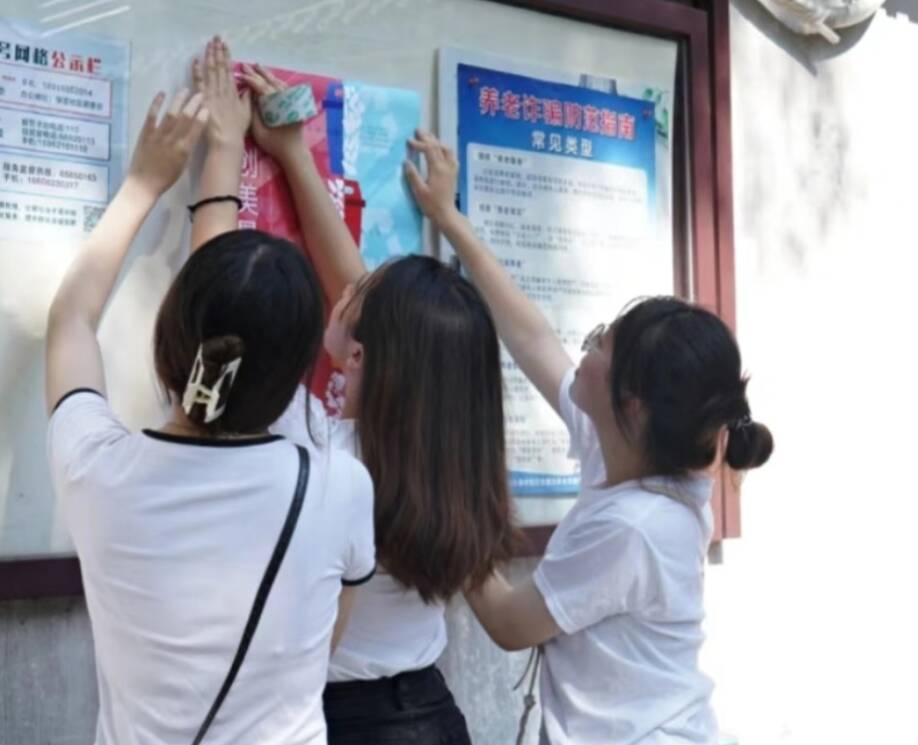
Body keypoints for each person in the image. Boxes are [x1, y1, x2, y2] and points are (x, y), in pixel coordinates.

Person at [45, 38, 375, 745]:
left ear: (168, 338)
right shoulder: (339, 486)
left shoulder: (101, 469)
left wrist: (146, 183)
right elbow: (324, 648)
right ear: (300, 372)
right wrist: (253, 155)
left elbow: (70, 320)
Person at [404, 130, 774, 745]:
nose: (587, 346)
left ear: (631, 403)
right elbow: (533, 339)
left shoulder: (636, 525)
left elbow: (509, 622)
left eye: (602, 342)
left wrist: (438, 483)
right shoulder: (633, 454)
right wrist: (449, 218)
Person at [234, 63, 519, 745]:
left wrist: (221, 154)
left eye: (359, 297)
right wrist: (296, 153)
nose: (347, 288)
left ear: (361, 354)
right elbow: (366, 301)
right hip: (431, 714)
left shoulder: (313, 443)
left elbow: (224, 299)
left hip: (342, 719)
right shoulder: (447, 453)